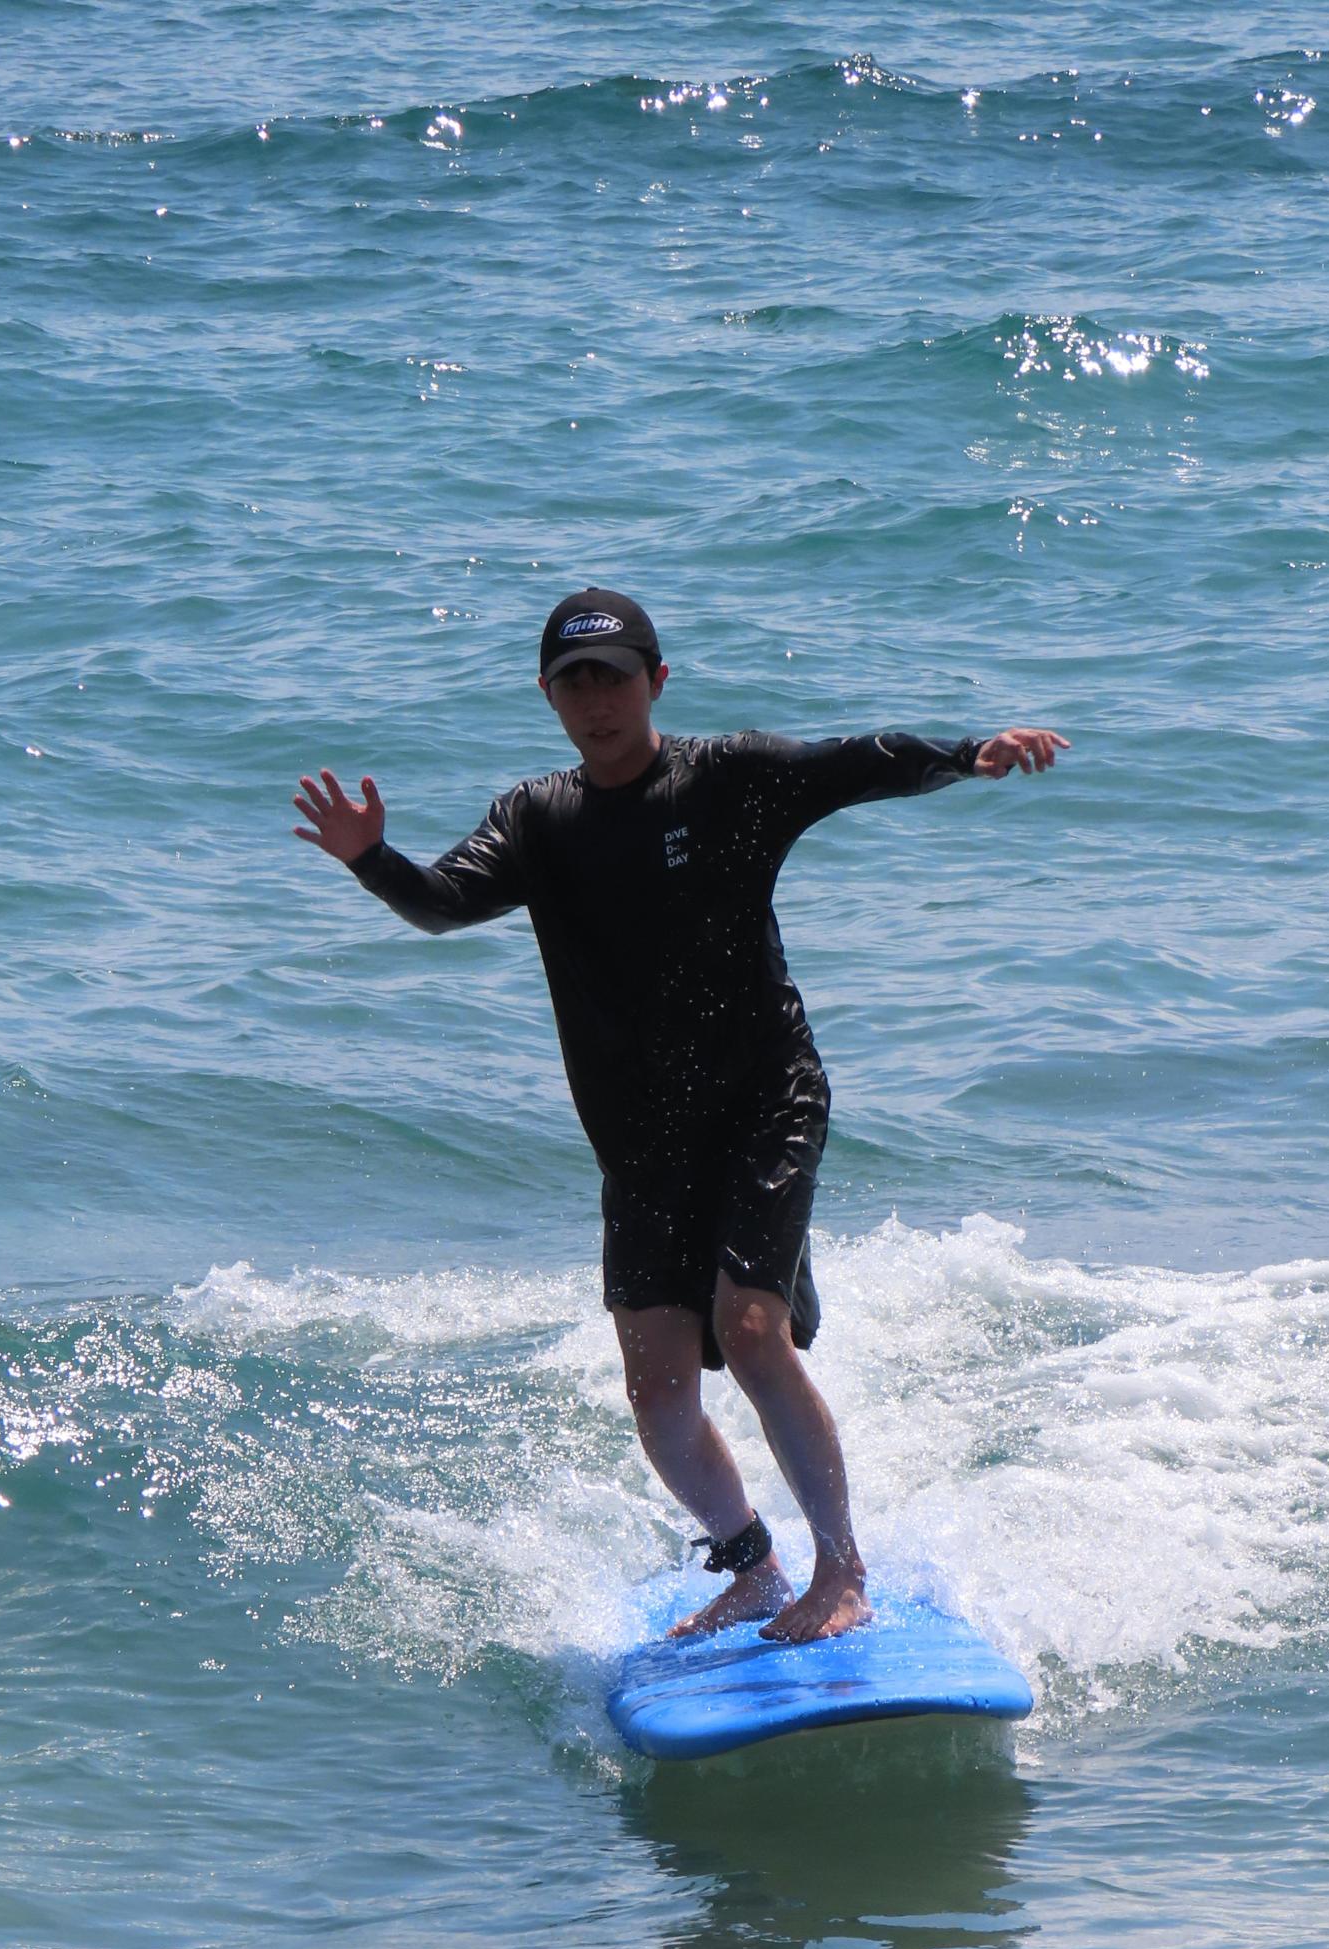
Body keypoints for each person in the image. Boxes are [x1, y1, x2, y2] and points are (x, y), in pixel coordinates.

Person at [293, 587, 1065, 1644]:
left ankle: (843, 1570)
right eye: (574, 683)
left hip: (764, 1100)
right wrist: (370, 860)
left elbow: (854, 763)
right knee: (656, 1393)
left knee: (749, 1333)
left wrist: (968, 753)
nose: (596, 701)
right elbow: (443, 902)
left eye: (614, 678)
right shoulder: (537, 820)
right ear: (548, 697)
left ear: (656, 681)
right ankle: (752, 1568)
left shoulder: (728, 778)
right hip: (644, 1141)